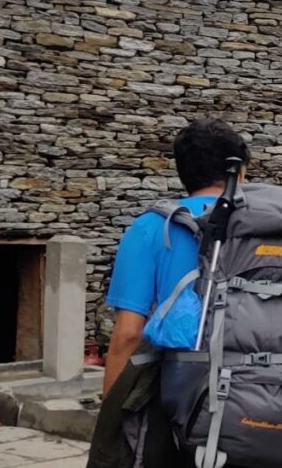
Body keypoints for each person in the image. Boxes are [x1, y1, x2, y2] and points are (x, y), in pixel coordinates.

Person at [102, 118, 251, 394]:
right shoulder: (268, 225)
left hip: (181, 393)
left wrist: (109, 412)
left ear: (183, 172)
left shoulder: (150, 227)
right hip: (265, 390)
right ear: (239, 172)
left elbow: (128, 334)